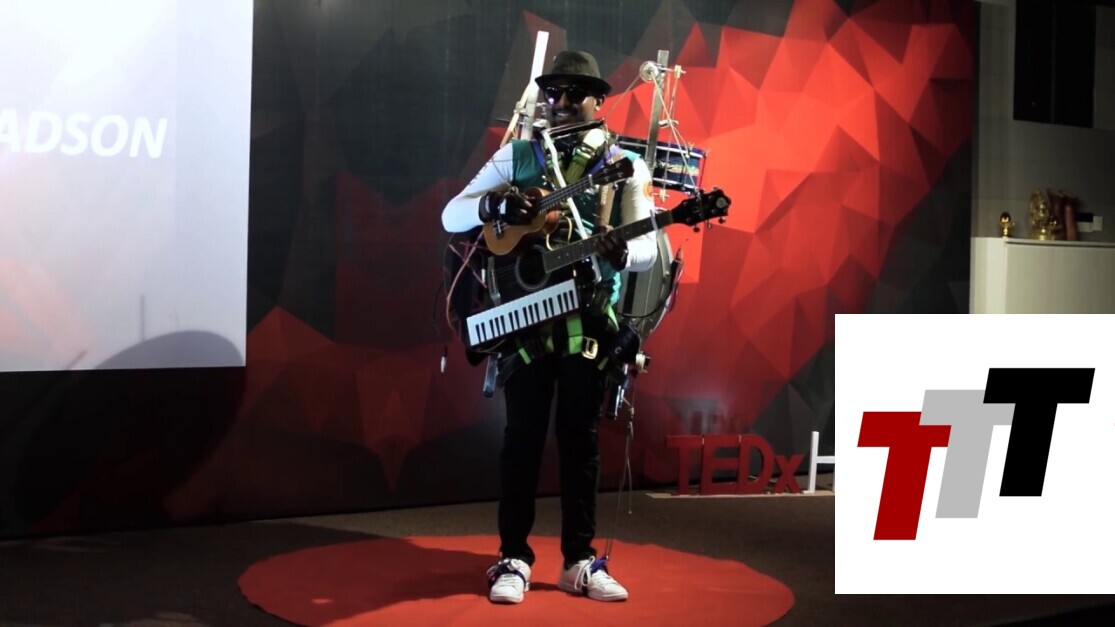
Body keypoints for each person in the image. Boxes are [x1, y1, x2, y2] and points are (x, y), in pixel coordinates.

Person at [441, 50, 658, 604]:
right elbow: (451, 215)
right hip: (525, 323)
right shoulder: (517, 155)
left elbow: (647, 250)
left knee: (580, 442)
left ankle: (579, 560)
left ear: (598, 99)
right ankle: (513, 557)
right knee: (522, 439)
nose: (559, 102)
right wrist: (493, 206)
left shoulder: (624, 164)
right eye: (552, 92)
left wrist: (620, 249)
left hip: (588, 321)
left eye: (572, 93)